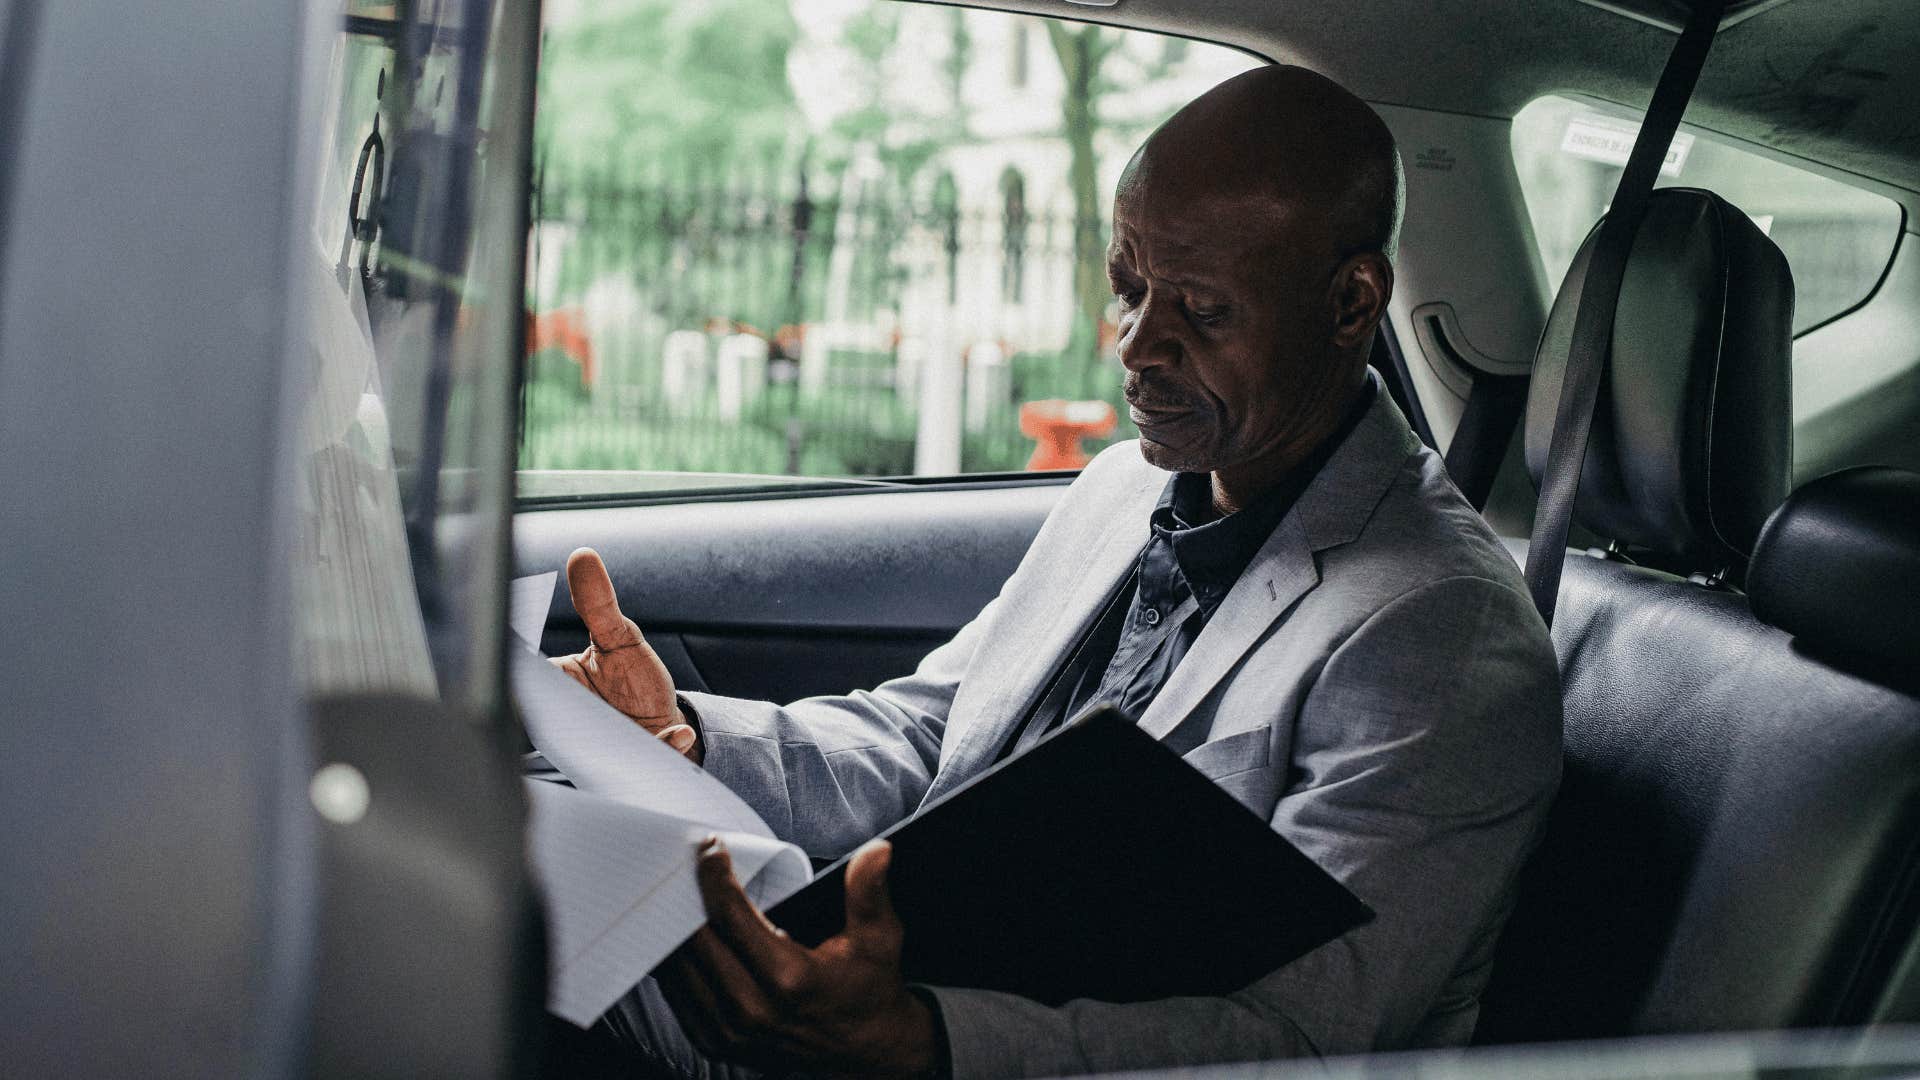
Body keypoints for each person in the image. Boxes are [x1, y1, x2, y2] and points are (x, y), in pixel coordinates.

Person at [550, 65, 1562, 1078]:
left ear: (1350, 305)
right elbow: (934, 736)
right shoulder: (1124, 489)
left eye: (1202, 312)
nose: (1135, 345)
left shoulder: (1440, 632)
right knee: (509, 911)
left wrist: (920, 1043)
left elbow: (1302, 1039)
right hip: (899, 1019)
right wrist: (683, 742)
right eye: (1129, 288)